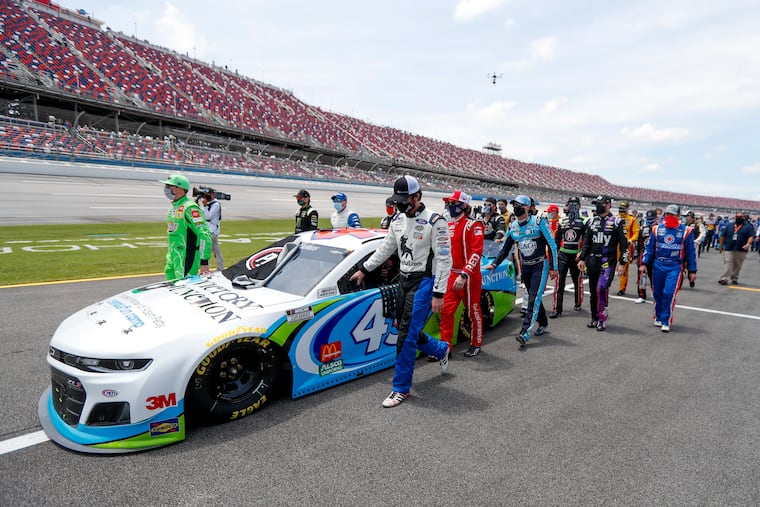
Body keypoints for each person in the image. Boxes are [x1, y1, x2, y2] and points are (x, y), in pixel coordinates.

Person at [349, 175, 451, 408]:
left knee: (405, 335)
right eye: (398, 200)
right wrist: (364, 269)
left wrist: (438, 293)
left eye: (405, 199)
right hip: (403, 281)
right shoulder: (397, 220)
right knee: (402, 328)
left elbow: (445, 260)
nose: (400, 204)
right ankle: (441, 348)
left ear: (418, 196)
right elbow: (385, 249)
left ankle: (400, 388)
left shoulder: (436, 221)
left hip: (425, 282)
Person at [488, 195, 558, 347]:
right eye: (514, 205)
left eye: (519, 205)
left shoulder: (538, 222)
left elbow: (552, 245)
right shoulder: (513, 226)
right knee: (534, 297)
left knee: (533, 298)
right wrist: (494, 264)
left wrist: (554, 267)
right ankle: (543, 322)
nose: (516, 207)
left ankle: (525, 332)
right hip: (526, 267)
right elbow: (505, 248)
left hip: (540, 266)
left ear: (527, 207)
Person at [439, 190, 485, 357]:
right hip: (451, 274)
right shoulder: (448, 225)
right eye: (449, 203)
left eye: (452, 203)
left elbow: (476, 252)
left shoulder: (474, 225)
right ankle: (445, 347)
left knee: (473, 311)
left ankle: (476, 343)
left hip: (469, 277)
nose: (450, 206)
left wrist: (465, 274)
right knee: (446, 311)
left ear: (463, 205)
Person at [640, 204, 697, 332]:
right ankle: (658, 316)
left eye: (672, 215)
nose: (669, 217)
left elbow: (691, 252)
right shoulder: (656, 229)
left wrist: (692, 270)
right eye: (667, 214)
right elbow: (649, 248)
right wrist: (644, 263)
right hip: (658, 265)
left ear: (678, 216)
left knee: (669, 293)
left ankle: (666, 320)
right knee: (657, 292)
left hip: (675, 266)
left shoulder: (686, 231)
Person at [577, 196, 628, 331]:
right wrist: (582, 258)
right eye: (597, 204)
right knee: (593, 292)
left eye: (601, 204)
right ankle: (594, 318)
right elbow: (586, 242)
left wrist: (622, 262)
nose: (598, 206)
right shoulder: (591, 221)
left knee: (601, 289)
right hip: (592, 261)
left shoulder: (617, 221)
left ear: (608, 205)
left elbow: (624, 245)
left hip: (607, 262)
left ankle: (602, 319)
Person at [159, 174, 212, 280]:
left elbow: (204, 235)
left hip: (186, 258)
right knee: (170, 292)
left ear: (180, 189)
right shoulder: (174, 206)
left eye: (169, 186)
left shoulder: (190, 208)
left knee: (183, 292)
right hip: (173, 257)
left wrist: (204, 262)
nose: (166, 189)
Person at [550, 196, 587, 318]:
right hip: (563, 255)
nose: (572, 206)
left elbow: (587, 241)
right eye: (570, 204)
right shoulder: (562, 221)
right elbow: (557, 240)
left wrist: (582, 254)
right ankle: (557, 309)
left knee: (577, 281)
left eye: (575, 204)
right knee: (560, 282)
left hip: (576, 256)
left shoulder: (584, 221)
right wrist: (555, 255)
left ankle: (578, 303)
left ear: (580, 206)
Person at [718, 211, 755, 285]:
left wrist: (748, 244)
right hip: (729, 248)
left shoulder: (748, 226)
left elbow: (751, 236)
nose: (739, 218)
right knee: (728, 263)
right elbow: (722, 236)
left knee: (737, 264)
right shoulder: (729, 226)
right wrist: (720, 246)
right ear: (735, 217)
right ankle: (724, 278)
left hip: (741, 249)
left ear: (744, 218)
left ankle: (734, 278)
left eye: (741, 217)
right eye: (737, 216)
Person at [616, 201, 639, 296]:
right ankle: (605, 285)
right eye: (620, 208)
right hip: (614, 246)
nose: (621, 210)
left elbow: (636, 233)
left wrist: (630, 240)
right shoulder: (615, 218)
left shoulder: (632, 219)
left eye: (623, 208)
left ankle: (622, 289)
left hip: (625, 247)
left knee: (624, 269)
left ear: (627, 209)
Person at [634, 210, 657, 304]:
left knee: (655, 276)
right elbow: (638, 243)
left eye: (652, 219)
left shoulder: (661, 229)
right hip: (643, 253)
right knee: (641, 276)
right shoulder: (643, 228)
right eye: (648, 219)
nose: (650, 221)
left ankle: (655, 295)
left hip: (656, 255)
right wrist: (636, 256)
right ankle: (641, 295)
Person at [200, 188, 224, 270]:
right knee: (215, 251)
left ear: (213, 195)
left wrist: (205, 205)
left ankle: (209, 269)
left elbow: (208, 216)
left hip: (212, 231)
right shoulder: (208, 203)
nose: (206, 197)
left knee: (207, 250)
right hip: (207, 230)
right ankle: (220, 268)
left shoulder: (216, 204)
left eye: (208, 195)